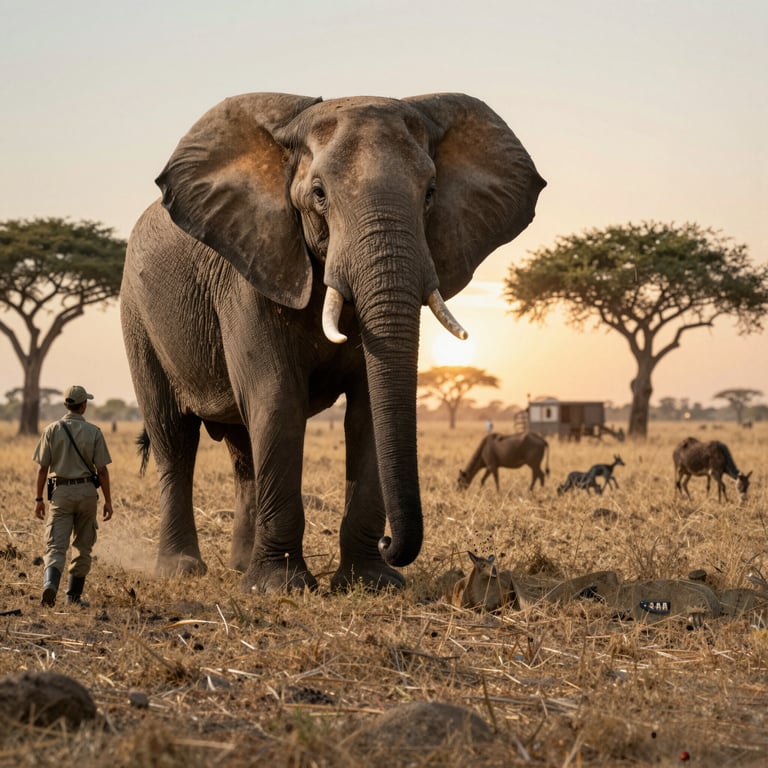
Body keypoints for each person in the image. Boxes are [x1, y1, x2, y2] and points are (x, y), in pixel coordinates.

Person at [33, 385, 113, 607]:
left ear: (66, 404)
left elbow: (42, 469)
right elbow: (102, 471)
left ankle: (50, 585)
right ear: (83, 406)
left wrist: (39, 500)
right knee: (83, 546)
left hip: (60, 493)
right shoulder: (94, 432)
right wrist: (108, 501)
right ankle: (73, 597)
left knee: (56, 545)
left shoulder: (51, 430)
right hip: (87, 493)